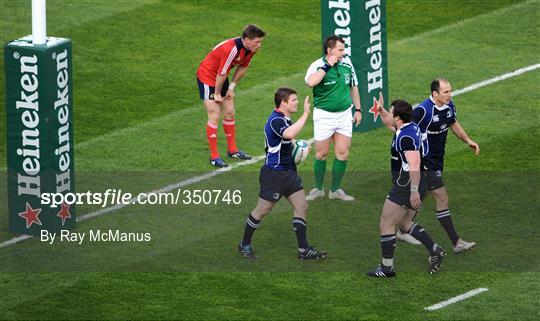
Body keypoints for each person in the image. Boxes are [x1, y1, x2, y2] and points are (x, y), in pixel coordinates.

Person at [378, 79, 479, 253]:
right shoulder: (423, 110)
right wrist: (383, 112)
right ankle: (455, 243)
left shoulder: (449, 105)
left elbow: (453, 122)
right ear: (435, 93)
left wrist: (467, 140)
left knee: (418, 198)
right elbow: (399, 125)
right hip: (425, 164)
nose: (450, 95)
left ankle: (404, 229)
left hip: (437, 160)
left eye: (450, 91)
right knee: (441, 198)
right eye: (446, 92)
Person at [238, 87, 327, 260]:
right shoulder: (275, 120)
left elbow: (288, 139)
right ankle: (244, 244)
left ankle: (303, 250)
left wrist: (299, 145)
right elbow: (289, 133)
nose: (297, 103)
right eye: (294, 100)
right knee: (263, 209)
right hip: (274, 174)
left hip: (289, 173)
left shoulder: (285, 119)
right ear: (283, 102)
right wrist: (306, 114)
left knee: (301, 206)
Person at [368, 99, 446, 277]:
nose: (389, 115)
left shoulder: (406, 137)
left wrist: (413, 191)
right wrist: (380, 110)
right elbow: (390, 123)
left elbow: (414, 163)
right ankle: (435, 251)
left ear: (398, 117)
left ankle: (387, 268)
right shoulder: (409, 127)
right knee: (404, 223)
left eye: (391, 112)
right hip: (420, 179)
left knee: (386, 223)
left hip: (407, 183)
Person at [196, 24, 266, 167]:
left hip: (221, 77)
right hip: (208, 76)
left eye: (260, 42)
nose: (259, 45)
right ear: (246, 39)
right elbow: (221, 73)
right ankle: (214, 157)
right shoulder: (232, 49)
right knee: (214, 114)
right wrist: (216, 94)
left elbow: (244, 66)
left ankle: (232, 150)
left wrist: (231, 88)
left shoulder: (250, 49)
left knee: (229, 112)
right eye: (257, 42)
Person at [304, 35, 362, 201]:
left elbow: (354, 87)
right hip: (324, 116)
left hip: (344, 115)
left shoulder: (347, 64)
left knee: (342, 153)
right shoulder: (316, 65)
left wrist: (358, 109)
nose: (344, 52)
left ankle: (335, 190)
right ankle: (318, 188)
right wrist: (327, 66)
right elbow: (311, 82)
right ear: (330, 50)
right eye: (341, 49)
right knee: (321, 154)